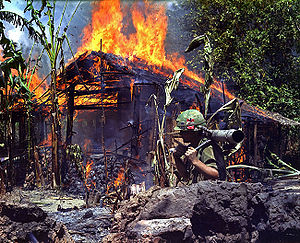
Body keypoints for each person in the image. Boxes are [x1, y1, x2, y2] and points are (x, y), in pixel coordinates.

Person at [173, 109, 221, 185]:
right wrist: (177, 158)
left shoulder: (206, 147)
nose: (181, 134)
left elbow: (215, 175)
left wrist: (195, 161)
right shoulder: (193, 146)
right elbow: (186, 176)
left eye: (184, 131)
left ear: (194, 132)